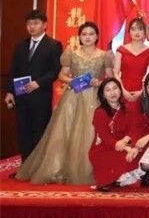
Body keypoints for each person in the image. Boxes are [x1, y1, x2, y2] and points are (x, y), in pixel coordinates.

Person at [17, 22, 113, 185]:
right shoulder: (71, 53)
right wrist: (73, 81)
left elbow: (110, 77)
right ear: (79, 37)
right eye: (84, 34)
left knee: (90, 133)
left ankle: (91, 170)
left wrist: (100, 82)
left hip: (95, 98)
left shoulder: (104, 55)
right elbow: (61, 75)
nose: (87, 37)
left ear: (97, 36)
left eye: (91, 34)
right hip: (73, 97)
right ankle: (63, 169)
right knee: (66, 133)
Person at [5, 9, 62, 163]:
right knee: (23, 132)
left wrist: (38, 83)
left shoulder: (53, 45)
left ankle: (37, 167)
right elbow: (13, 69)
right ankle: (25, 166)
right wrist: (9, 91)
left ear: (45, 25)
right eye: (29, 24)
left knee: (39, 132)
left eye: (35, 23)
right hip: (21, 96)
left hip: (40, 96)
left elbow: (56, 70)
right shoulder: (20, 45)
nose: (32, 27)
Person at [89, 78, 144, 191]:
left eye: (115, 88)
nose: (112, 92)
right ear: (103, 95)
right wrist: (125, 148)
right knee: (123, 156)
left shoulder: (128, 108)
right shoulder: (100, 112)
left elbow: (135, 129)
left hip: (126, 143)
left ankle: (119, 178)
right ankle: (110, 179)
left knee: (141, 151)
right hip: (106, 147)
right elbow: (104, 137)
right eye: (108, 90)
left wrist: (127, 141)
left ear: (120, 90)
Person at [114, 17, 149, 104]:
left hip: (142, 90)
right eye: (133, 29)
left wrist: (142, 92)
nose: (137, 32)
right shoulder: (121, 50)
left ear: (144, 32)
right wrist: (123, 91)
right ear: (129, 32)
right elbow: (116, 73)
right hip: (122, 89)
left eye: (140, 29)